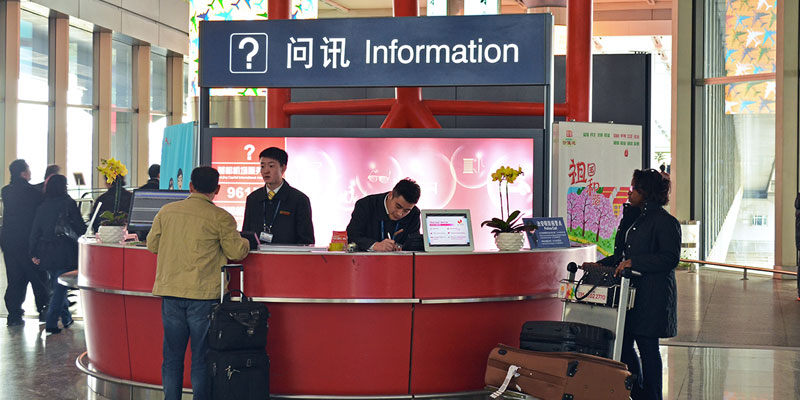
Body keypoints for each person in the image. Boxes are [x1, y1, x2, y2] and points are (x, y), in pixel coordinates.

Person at [147, 166, 250, 400]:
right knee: (201, 358)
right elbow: (236, 251)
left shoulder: (167, 211)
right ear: (217, 189)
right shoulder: (221, 217)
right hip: (204, 296)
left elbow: (152, 245)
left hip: (171, 293)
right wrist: (245, 241)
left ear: (190, 186)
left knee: (172, 357)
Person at [583, 168, 680, 400]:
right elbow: (623, 255)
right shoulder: (635, 218)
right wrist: (599, 264)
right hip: (628, 295)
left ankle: (652, 395)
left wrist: (635, 262)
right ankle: (636, 391)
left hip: (652, 296)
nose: (630, 192)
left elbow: (669, 258)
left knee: (648, 349)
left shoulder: (665, 222)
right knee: (624, 344)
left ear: (646, 192)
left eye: (635, 188)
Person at [28, 174, 86, 334]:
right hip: (64, 251)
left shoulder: (42, 206)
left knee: (57, 285)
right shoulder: (68, 203)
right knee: (60, 288)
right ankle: (51, 322)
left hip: (46, 251)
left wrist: (33, 252)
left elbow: (35, 231)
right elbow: (80, 227)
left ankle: (66, 318)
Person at [1, 160, 50, 326]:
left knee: (15, 278)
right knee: (37, 276)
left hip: (9, 242)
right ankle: (43, 310)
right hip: (29, 242)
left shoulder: (6, 192)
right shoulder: (34, 193)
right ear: (23, 173)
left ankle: (14, 315)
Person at [242, 147, 314, 245]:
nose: (265, 171)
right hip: (258, 258)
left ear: (283, 168)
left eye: (271, 166)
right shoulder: (253, 198)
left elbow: (306, 241)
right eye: (262, 166)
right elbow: (246, 236)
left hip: (287, 258)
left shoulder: (299, 200)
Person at [346, 178, 422, 252]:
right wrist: (375, 245)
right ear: (390, 195)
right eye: (398, 206)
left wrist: (401, 247)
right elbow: (352, 235)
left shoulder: (414, 213)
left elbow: (414, 243)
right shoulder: (366, 205)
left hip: (400, 262)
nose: (399, 213)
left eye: (406, 210)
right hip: (365, 261)